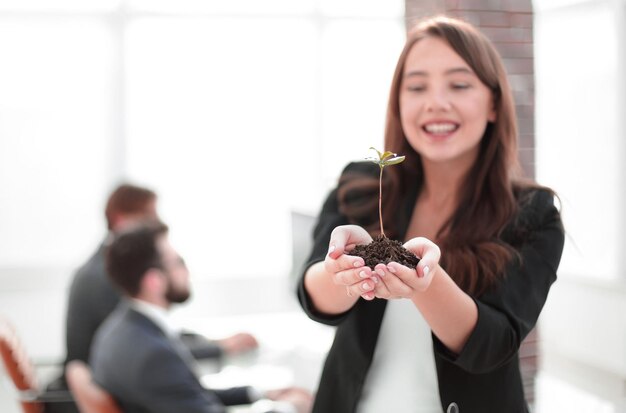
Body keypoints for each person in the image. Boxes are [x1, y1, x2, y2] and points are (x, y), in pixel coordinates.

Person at [297, 16, 564, 413]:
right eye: (417, 86)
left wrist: (426, 280)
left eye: (458, 84)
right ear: (399, 102)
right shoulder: (360, 185)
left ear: (493, 102)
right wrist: (341, 270)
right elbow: (313, 296)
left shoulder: (532, 214)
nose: (435, 102)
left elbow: (493, 345)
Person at [46, 183, 257, 413]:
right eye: (148, 215)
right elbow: (155, 351)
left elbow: (158, 334)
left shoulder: (121, 302)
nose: (154, 222)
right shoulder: (102, 279)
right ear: (153, 280)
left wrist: (217, 346)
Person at [91, 220, 312, 413]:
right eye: (177, 262)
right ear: (153, 281)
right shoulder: (152, 355)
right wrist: (289, 408)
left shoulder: (120, 328)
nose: (186, 270)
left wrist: (258, 393)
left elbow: (186, 394)